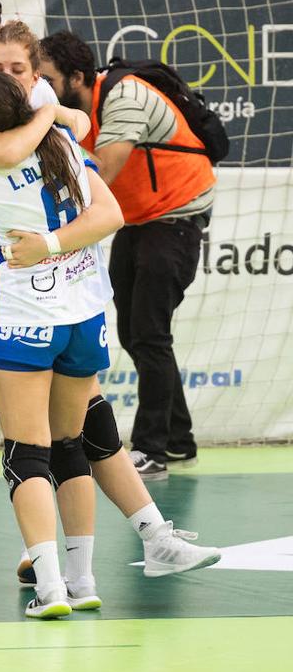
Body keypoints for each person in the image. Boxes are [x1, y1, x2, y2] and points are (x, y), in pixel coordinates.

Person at [0, 69, 125, 618]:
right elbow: (110, 211)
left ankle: (50, 587)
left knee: (26, 454)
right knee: (71, 446)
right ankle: (83, 581)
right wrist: (55, 116)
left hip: (25, 315)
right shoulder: (64, 146)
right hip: (83, 310)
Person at [39, 31, 215, 482]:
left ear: (76, 77)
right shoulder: (75, 107)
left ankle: (152, 450)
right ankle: (179, 440)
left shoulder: (126, 96)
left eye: (48, 79)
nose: (40, 88)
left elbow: (100, 172)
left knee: (150, 334)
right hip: (138, 220)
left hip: (175, 218)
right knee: (134, 333)